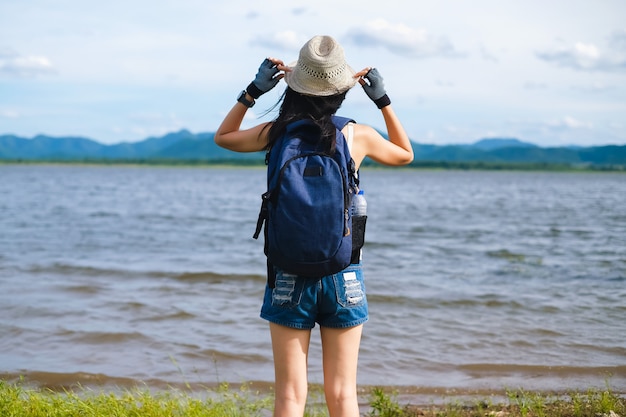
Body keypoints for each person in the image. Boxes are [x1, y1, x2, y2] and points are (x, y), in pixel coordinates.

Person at [214, 35, 413, 417]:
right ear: (341, 91)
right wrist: (383, 101)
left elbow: (222, 138)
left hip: (287, 270)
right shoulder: (357, 134)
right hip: (344, 272)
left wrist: (252, 91)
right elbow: (405, 154)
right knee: (342, 394)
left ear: (294, 86)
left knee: (289, 395)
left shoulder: (275, 132)